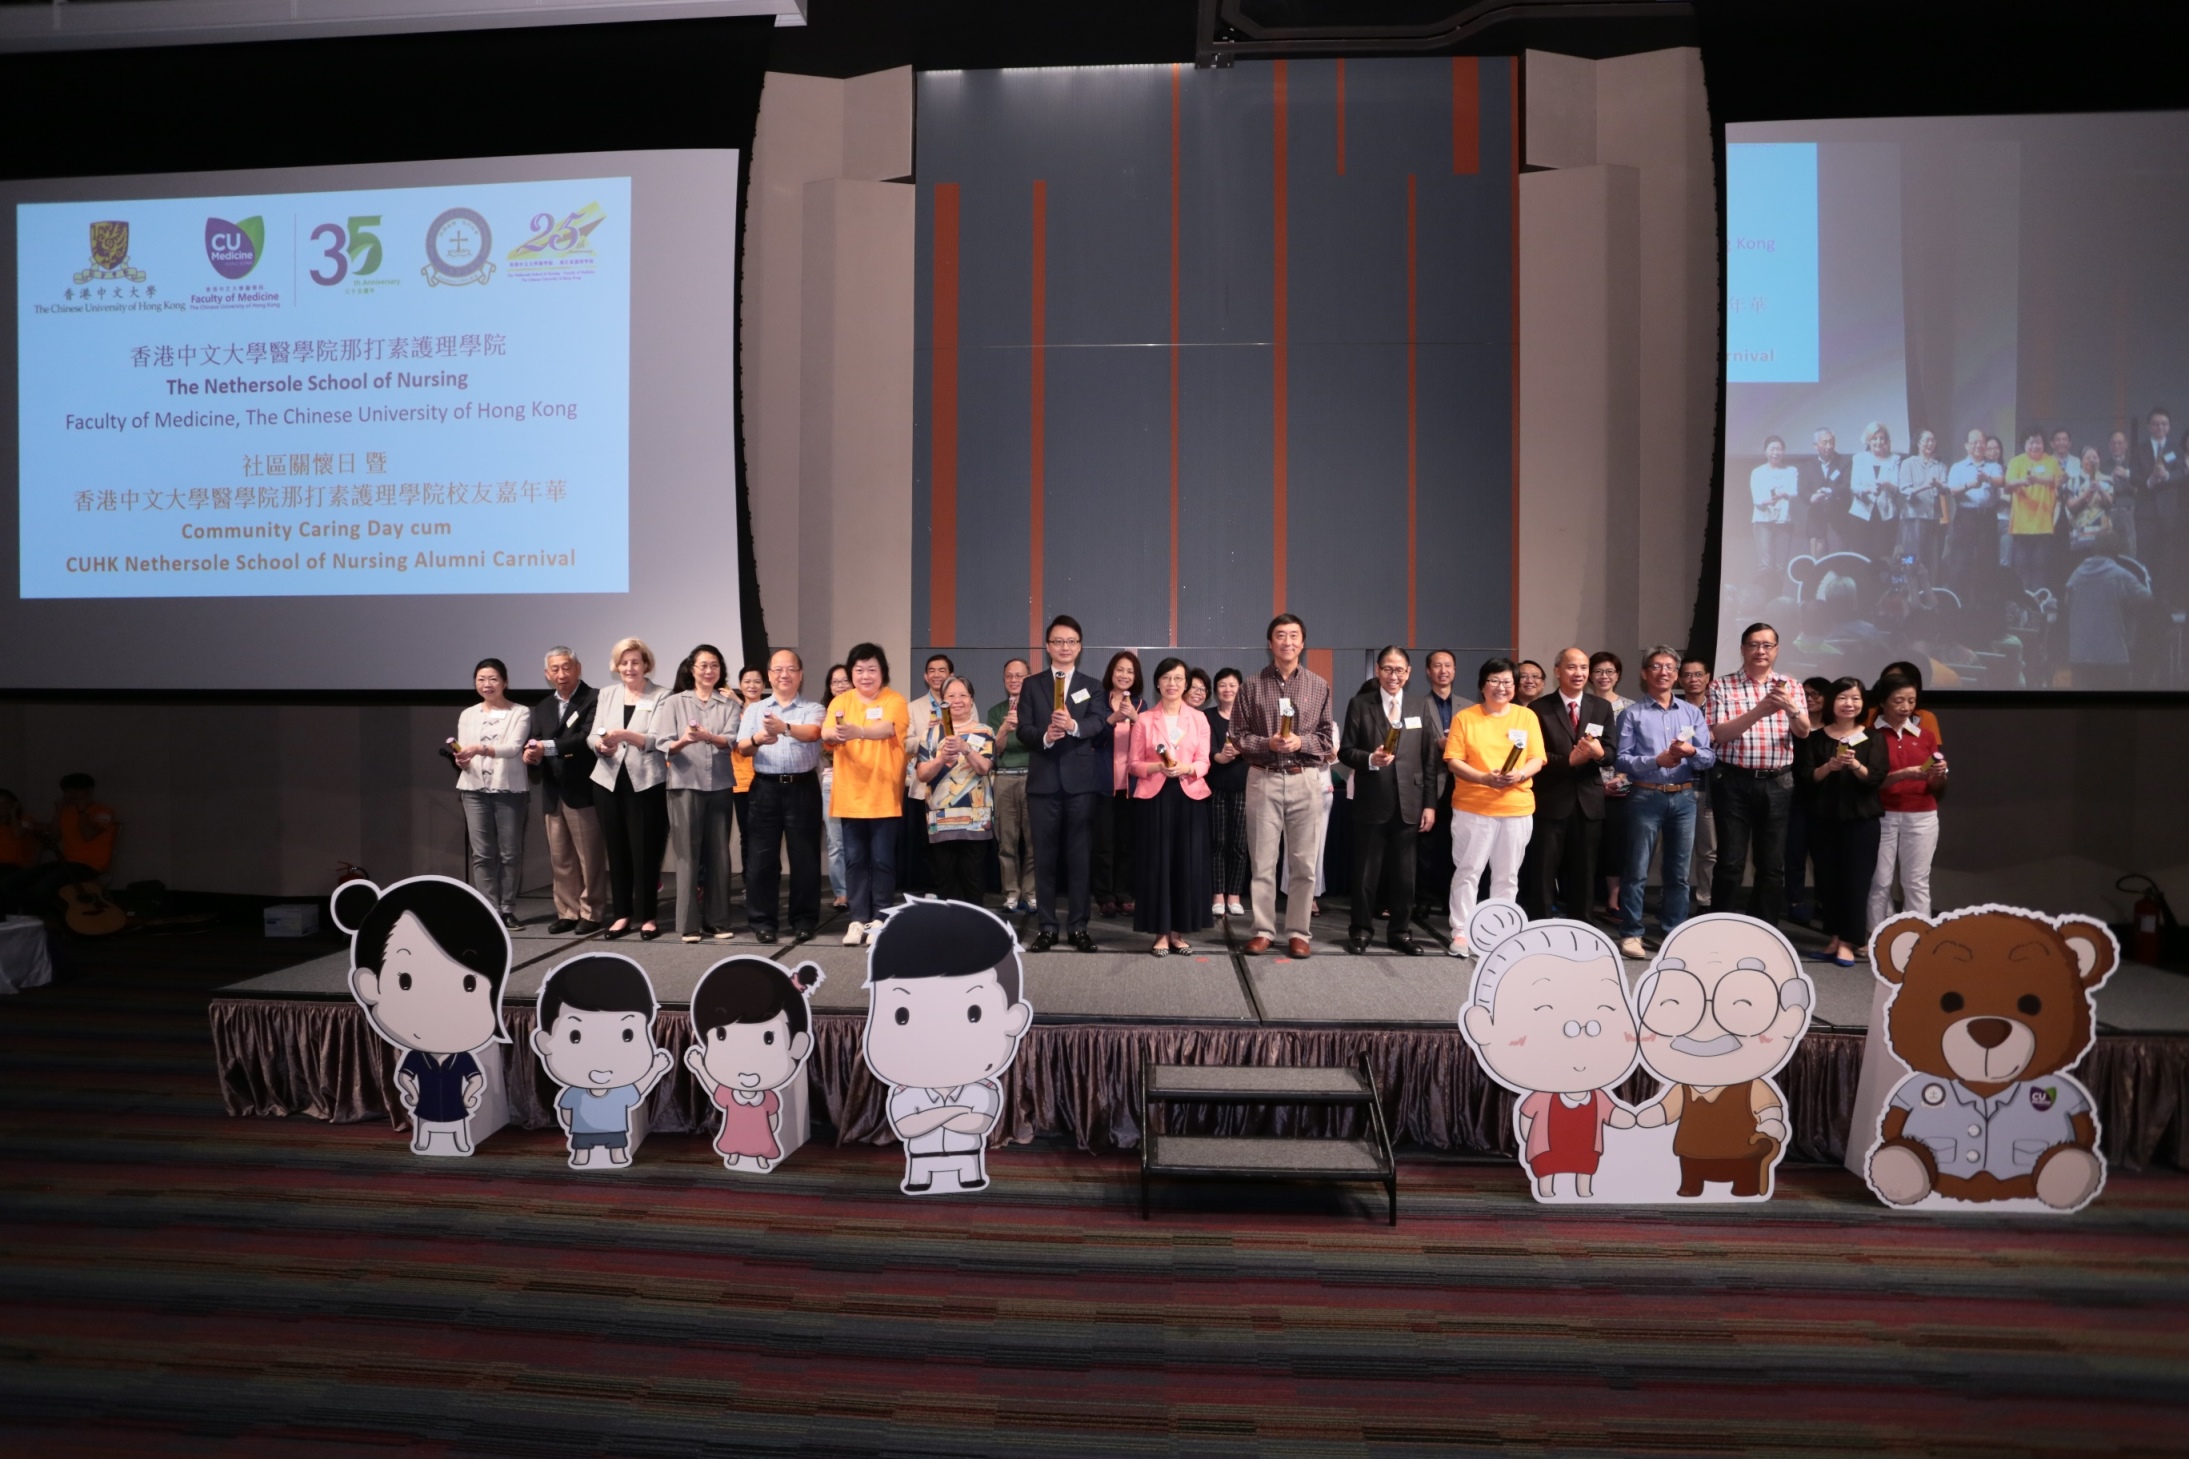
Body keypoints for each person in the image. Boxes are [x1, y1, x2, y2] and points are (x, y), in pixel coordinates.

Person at [1458, 901, 1641, 1199]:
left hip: (1587, 1149)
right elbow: (1527, 1119)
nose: (1581, 1030)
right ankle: (1547, 1188)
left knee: (1586, 1166)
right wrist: (1529, 1137)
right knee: (1547, 1166)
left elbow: (1616, 1116)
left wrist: (1633, 1119)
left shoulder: (1597, 1097)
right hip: (1547, 1148)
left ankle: (1583, 1191)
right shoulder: (1542, 1097)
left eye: (1606, 1009)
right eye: (1544, 1010)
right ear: (1483, 1024)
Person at [862, 899, 1034, 1195]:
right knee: (920, 1172)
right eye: (901, 1015)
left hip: (965, 1155)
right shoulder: (907, 1090)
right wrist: (954, 1112)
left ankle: (969, 1177)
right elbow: (906, 1129)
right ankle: (921, 1180)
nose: (934, 1035)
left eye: (973, 1013)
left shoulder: (983, 1089)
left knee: (969, 1172)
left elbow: (979, 1123)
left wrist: (931, 1116)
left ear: (1013, 1019)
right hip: (920, 1158)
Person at [336, 875, 512, 1157]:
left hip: (456, 1107)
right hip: (426, 1105)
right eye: (405, 980)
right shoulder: (418, 1057)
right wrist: (411, 1091)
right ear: (370, 986)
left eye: (470, 984)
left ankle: (457, 1141)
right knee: (429, 1125)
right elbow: (405, 1074)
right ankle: (425, 1140)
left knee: (455, 1125)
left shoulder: (461, 1057)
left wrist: (469, 1094)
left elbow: (476, 1078)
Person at [1234, 614, 1336, 958]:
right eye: (1280, 635)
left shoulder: (1318, 685)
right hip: (1262, 777)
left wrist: (1299, 743)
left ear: (1302, 643)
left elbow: (1325, 739)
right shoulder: (1251, 685)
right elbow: (1238, 736)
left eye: (1294, 636)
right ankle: (1263, 929)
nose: (1287, 642)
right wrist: (1268, 744)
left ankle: (1298, 932)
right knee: (1262, 862)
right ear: (1270, 643)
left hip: (1304, 779)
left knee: (1304, 864)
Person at [1705, 622, 1811, 928]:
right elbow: (1717, 734)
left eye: (1767, 645)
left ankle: (1763, 931)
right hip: (1733, 782)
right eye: (1754, 644)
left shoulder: (1791, 686)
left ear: (1776, 650)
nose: (1760, 651)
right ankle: (1720, 928)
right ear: (1742, 649)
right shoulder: (1721, 686)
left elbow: (1803, 732)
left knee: (1771, 865)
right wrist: (1759, 711)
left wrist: (1790, 707)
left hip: (1778, 782)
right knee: (1730, 863)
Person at [1016, 615, 1111, 951]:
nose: (1064, 647)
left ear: (1080, 646)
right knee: (1043, 858)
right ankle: (1046, 926)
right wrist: (1044, 735)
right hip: (1043, 783)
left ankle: (1079, 926)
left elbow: (1098, 722)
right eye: (1058, 641)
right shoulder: (1032, 684)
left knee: (1080, 857)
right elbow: (1022, 729)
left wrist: (1072, 726)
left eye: (1071, 641)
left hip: (1080, 784)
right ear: (1047, 646)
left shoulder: (1093, 684)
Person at [1613, 647, 1714, 960]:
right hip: (1646, 795)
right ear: (1645, 674)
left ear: (1677, 674)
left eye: (1670, 667)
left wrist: (1692, 753)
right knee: (1637, 870)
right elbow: (1622, 759)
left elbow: (1709, 757)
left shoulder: (1692, 713)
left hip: (1684, 797)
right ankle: (1631, 932)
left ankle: (1673, 931)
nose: (1663, 672)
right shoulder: (1633, 714)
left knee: (1679, 873)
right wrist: (1655, 760)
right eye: (1655, 666)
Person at [1337, 647, 1438, 955]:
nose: (1394, 676)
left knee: (1406, 875)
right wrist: (1370, 758)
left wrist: (1430, 804)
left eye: (1400, 670)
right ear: (1378, 671)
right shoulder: (1360, 704)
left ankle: (1400, 932)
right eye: (1388, 669)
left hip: (1410, 801)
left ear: (1408, 673)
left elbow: (1429, 760)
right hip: (1371, 799)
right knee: (1366, 872)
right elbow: (1345, 751)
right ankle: (1361, 930)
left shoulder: (1420, 705)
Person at [1441, 658, 1545, 957]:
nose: (1502, 687)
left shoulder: (1526, 717)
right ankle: (1461, 931)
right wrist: (1485, 779)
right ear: (1482, 685)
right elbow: (1454, 761)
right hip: (1474, 807)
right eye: (1495, 681)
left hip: (1516, 807)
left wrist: (1521, 774)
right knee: (1468, 870)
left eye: (1508, 682)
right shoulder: (1466, 717)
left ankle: (1501, 932)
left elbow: (1536, 758)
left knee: (1507, 875)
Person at [531, 954, 675, 1170]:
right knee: (581, 1146)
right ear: (545, 1043)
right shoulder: (574, 1093)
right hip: (582, 1131)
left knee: (617, 1145)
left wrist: (654, 1069)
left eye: (627, 1035)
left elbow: (639, 1088)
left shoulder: (620, 1091)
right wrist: (570, 1125)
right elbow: (566, 1111)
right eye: (575, 1036)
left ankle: (617, 1155)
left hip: (615, 1130)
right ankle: (581, 1155)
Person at [686, 955, 824, 1173]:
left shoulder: (767, 1096)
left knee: (762, 1143)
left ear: (797, 1044)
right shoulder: (731, 1093)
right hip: (735, 1130)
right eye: (721, 1035)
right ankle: (734, 1154)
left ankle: (760, 1157)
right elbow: (716, 1091)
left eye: (769, 1038)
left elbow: (773, 1114)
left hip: (761, 1132)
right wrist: (700, 1067)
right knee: (733, 1139)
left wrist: (774, 1127)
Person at [823, 642, 910, 946]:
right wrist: (833, 733)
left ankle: (881, 918)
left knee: (883, 860)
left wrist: (856, 731)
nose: (865, 675)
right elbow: (826, 733)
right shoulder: (841, 701)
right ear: (851, 673)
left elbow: (887, 728)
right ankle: (858, 919)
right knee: (855, 861)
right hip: (850, 795)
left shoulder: (894, 700)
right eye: (859, 670)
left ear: (883, 672)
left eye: (872, 669)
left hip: (884, 794)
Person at [738, 648, 827, 945]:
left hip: (802, 788)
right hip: (764, 788)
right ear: (769, 676)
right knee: (761, 860)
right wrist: (757, 738)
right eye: (777, 670)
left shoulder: (813, 708)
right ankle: (763, 922)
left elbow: (815, 733)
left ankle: (804, 920)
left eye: (790, 669)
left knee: (805, 858)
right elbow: (742, 747)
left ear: (800, 675)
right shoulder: (754, 710)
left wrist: (784, 728)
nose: (784, 675)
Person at [1797, 677, 1888, 965]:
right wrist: (1829, 766)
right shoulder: (1816, 738)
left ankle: (1849, 941)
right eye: (1842, 698)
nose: (1849, 704)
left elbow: (1875, 778)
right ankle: (1834, 938)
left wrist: (1854, 765)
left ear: (1863, 704)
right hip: (1823, 820)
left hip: (1861, 821)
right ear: (1831, 702)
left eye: (1856, 698)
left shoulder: (1873, 737)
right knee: (1827, 882)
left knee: (1856, 881)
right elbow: (1806, 778)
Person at [1522, 648, 1614, 925]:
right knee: (1542, 871)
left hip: (1588, 803)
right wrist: (1568, 761)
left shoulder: (1601, 707)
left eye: (1584, 668)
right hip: (1550, 800)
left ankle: (1582, 928)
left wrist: (1599, 754)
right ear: (1557, 671)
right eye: (1572, 667)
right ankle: (1539, 925)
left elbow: (1611, 752)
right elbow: (1535, 755)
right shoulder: (1539, 708)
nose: (1579, 673)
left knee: (1585, 873)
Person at [588, 638, 672, 941]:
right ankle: (622, 915)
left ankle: (648, 916)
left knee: (645, 851)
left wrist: (626, 735)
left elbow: (658, 739)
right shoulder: (607, 694)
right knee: (618, 850)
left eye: (635, 662)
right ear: (616, 666)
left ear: (645, 664)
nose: (629, 667)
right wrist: (599, 744)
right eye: (624, 663)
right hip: (608, 781)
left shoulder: (662, 695)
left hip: (645, 782)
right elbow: (593, 733)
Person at [1128, 657, 1213, 955]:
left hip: (1189, 796)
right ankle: (1160, 933)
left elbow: (1205, 760)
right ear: (1157, 683)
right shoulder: (1145, 720)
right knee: (1157, 864)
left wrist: (1187, 768)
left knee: (1185, 864)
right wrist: (1156, 768)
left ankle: (1178, 932)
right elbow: (1133, 763)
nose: (1172, 684)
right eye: (1166, 678)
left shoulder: (1199, 719)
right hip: (1155, 797)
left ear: (1186, 683)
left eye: (1178, 678)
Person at [657, 644, 741, 944]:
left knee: (719, 854)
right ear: (692, 669)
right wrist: (683, 741)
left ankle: (717, 921)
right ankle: (688, 924)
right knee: (687, 856)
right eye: (703, 665)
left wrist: (707, 736)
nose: (709, 671)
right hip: (683, 784)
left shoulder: (730, 704)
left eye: (715, 665)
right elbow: (663, 743)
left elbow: (731, 740)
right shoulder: (674, 702)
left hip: (719, 784)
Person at [524, 647, 605, 935]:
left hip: (583, 790)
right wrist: (531, 756)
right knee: (561, 859)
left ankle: (592, 911)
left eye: (566, 667)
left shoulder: (594, 698)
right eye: (555, 669)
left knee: (590, 857)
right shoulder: (544, 706)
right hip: (553, 791)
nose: (561, 674)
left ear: (578, 668)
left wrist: (543, 748)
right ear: (547, 674)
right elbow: (534, 741)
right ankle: (568, 911)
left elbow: (584, 739)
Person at [451, 658, 529, 930]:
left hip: (509, 788)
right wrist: (461, 760)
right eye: (481, 679)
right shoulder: (468, 714)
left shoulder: (520, 712)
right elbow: (464, 752)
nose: (487, 684)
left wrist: (479, 749)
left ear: (505, 682)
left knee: (509, 853)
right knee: (482, 854)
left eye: (493, 679)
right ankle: (489, 908)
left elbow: (513, 747)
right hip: (473, 789)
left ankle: (507, 909)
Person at [1866, 673, 1947, 931]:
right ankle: (1879, 935)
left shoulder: (1925, 736)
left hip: (1922, 815)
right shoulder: (1867, 736)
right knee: (1879, 881)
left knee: (1916, 881)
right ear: (1883, 701)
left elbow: (1937, 787)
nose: (1905, 707)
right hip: (1881, 814)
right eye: (1898, 700)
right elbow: (1866, 783)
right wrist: (1902, 775)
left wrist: (1938, 774)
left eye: (1911, 701)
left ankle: (1918, 935)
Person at [915, 675, 997, 905]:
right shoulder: (930, 734)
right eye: (951, 696)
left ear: (971, 700)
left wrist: (966, 748)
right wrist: (941, 758)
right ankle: (951, 932)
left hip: (976, 820)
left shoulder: (985, 732)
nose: (957, 700)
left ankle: (975, 932)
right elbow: (922, 774)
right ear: (942, 700)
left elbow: (984, 768)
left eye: (963, 695)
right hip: (941, 820)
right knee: (945, 883)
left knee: (973, 882)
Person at [1091, 650, 1144, 917]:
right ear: (1111, 673)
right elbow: (1091, 739)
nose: (1124, 675)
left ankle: (1124, 893)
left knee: (1127, 843)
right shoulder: (1098, 702)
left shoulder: (1142, 704)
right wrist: (1111, 720)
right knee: (1103, 843)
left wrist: (1136, 720)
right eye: (1120, 670)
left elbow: (1150, 744)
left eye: (1130, 671)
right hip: (1102, 784)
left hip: (1132, 786)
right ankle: (1104, 895)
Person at [1414, 649, 1465, 927]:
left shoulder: (1469, 708)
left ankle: (1451, 899)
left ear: (1455, 670)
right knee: (1426, 846)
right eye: (1437, 666)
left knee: (1458, 844)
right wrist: (1437, 745)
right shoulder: (1416, 706)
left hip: (1463, 784)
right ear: (1427, 671)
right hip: (1429, 783)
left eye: (1448, 665)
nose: (1443, 670)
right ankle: (1422, 898)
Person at [2065, 532, 2153, 690]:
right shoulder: (2120, 575)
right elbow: (2147, 598)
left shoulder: (2076, 576)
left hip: (2080, 656)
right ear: (2116, 550)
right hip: (2112, 657)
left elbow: (2066, 603)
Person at [984, 660, 1037, 913]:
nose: (1014, 680)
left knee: (1033, 842)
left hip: (1033, 778)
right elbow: (994, 750)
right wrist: (1004, 728)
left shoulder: (1037, 709)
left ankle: (1031, 892)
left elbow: (1040, 744)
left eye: (1020, 676)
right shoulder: (996, 712)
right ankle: (1011, 893)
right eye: (1009, 676)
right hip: (1004, 777)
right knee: (1006, 842)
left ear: (1028, 678)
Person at [1588, 650, 1634, 919]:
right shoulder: (1584, 705)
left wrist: (1622, 777)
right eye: (1598, 671)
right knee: (1588, 844)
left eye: (1610, 672)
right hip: (1589, 785)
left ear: (1618, 675)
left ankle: (1614, 898)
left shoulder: (1630, 707)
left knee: (1616, 845)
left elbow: (1636, 748)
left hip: (1622, 786)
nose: (1604, 677)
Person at [902, 653, 954, 892]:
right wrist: (928, 736)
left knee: (949, 840)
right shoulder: (913, 707)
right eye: (932, 670)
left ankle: (949, 888)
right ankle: (930, 890)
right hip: (922, 785)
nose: (936, 675)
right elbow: (905, 743)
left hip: (954, 785)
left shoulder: (963, 703)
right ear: (925, 676)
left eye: (942, 670)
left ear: (950, 675)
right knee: (925, 841)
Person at [1204, 667, 1249, 918]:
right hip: (1216, 786)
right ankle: (1217, 894)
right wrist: (1217, 756)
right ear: (1216, 690)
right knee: (1217, 842)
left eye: (1232, 685)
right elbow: (1203, 746)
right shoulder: (1207, 716)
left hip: (1244, 787)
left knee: (1239, 845)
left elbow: (1257, 744)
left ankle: (1235, 894)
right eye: (1222, 685)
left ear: (1240, 688)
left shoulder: (1249, 718)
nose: (1228, 689)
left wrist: (1242, 750)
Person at [2132, 407, 2184, 612]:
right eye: (2155, 423)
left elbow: (2183, 472)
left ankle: (2164, 603)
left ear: (2169, 426)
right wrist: (2149, 481)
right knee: (2145, 560)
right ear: (2148, 426)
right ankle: (2145, 602)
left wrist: (2167, 476)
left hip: (2169, 515)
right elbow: (2132, 475)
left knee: (2167, 560)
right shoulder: (2140, 449)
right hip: (2146, 513)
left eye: (2163, 423)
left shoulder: (2176, 449)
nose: (2159, 427)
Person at [1944, 427, 2004, 598]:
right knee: (1961, 561)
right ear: (1966, 445)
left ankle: (1984, 605)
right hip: (1966, 517)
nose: (1979, 445)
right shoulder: (1958, 467)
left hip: (1987, 517)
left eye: (1982, 442)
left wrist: (1987, 479)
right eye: (1974, 442)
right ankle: (1957, 602)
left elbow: (2001, 481)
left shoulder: (1994, 466)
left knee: (1987, 562)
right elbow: (1952, 490)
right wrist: (1971, 484)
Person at [2006, 428, 2064, 594]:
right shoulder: (2016, 462)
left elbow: (2057, 479)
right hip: (2021, 526)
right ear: (2024, 444)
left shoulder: (2051, 462)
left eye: (2038, 442)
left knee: (2040, 568)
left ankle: (2038, 608)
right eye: (2031, 442)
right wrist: (2023, 481)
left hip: (2043, 524)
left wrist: (2037, 480)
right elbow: (2008, 483)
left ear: (2044, 444)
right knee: (2020, 569)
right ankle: (2022, 609)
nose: (2035, 445)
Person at [727, 664, 768, 898]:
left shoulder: (769, 709)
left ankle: (766, 883)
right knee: (747, 837)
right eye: (747, 682)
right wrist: (738, 705)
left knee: (767, 836)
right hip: (741, 782)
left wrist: (740, 703)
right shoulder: (732, 711)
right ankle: (749, 885)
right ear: (740, 685)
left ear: (764, 685)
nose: (752, 686)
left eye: (756, 681)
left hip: (766, 780)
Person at [1678, 656, 1716, 907]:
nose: (1694, 680)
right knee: (1676, 851)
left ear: (1708, 678)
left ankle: (1705, 900)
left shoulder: (1719, 708)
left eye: (1698, 674)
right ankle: (1672, 900)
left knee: (1709, 851)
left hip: (1709, 786)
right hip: (1678, 785)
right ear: (1680, 680)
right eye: (1688, 675)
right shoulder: (1674, 708)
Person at [1896, 429, 1949, 582]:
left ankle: (1929, 590)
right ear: (1918, 443)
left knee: (1931, 557)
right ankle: (1910, 588)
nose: (1930, 443)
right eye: (1926, 440)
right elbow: (1904, 490)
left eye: (1933, 440)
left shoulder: (1939, 465)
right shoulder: (1908, 463)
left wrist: (1938, 485)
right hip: (1913, 517)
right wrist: (1925, 486)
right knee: (1911, 557)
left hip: (1933, 516)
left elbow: (1946, 489)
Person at [821, 663, 852, 909]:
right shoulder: (824, 714)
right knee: (835, 842)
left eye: (844, 680)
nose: (840, 686)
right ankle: (841, 891)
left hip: (859, 781)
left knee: (858, 841)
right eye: (835, 682)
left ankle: (861, 888)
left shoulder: (864, 710)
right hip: (832, 780)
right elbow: (823, 747)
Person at [1850, 420, 1902, 561]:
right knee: (1862, 556)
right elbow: (1854, 486)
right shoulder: (1859, 458)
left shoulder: (1894, 459)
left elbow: (1896, 488)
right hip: (1862, 513)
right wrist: (1867, 490)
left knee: (1883, 556)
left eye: (1882, 438)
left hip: (1886, 515)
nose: (1878, 442)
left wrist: (1886, 484)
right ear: (1868, 440)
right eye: (1875, 438)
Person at [1749, 435, 1797, 579]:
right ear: (1765, 452)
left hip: (1783, 521)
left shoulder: (1791, 470)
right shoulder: (1757, 472)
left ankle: (1778, 600)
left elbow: (1794, 492)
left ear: (1784, 451)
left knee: (1780, 566)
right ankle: (1764, 600)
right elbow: (1756, 498)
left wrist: (1784, 494)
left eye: (1779, 449)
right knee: (1766, 566)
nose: (1776, 452)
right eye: (1772, 449)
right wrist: (1765, 502)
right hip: (1763, 520)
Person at [1801, 426, 1852, 556]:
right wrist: (1811, 497)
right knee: (1818, 562)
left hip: (1840, 519)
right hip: (1816, 519)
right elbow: (1802, 491)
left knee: (1839, 560)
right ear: (1815, 445)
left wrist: (1831, 492)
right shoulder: (1807, 467)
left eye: (1831, 442)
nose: (1829, 446)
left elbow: (1847, 485)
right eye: (1824, 442)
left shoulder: (1845, 462)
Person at [2065, 447, 2117, 571]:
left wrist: (2099, 488)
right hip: (2081, 533)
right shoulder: (2073, 481)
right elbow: (2071, 506)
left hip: (2102, 533)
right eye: (2088, 458)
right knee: (2082, 567)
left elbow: (2110, 503)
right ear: (2082, 461)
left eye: (2095, 457)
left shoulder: (2107, 480)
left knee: (2103, 568)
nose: (2092, 460)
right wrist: (2086, 494)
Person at [2104, 428, 2140, 559]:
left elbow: (2140, 490)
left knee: (2128, 551)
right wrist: (2110, 478)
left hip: (2128, 512)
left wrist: (2127, 476)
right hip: (2108, 512)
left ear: (2126, 445)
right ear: (2109, 445)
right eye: (2114, 443)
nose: (2117, 446)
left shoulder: (2134, 465)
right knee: (2107, 550)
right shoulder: (2103, 465)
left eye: (2120, 443)